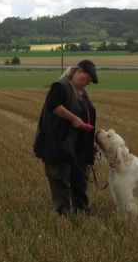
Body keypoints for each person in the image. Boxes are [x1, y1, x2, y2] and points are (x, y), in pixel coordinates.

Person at [33, 59, 98, 215]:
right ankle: (63, 213)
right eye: (85, 79)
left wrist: (91, 142)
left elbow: (86, 115)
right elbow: (53, 105)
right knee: (59, 180)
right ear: (77, 71)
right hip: (58, 143)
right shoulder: (60, 86)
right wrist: (73, 119)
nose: (85, 83)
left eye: (88, 82)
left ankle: (81, 209)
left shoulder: (81, 92)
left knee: (79, 180)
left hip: (77, 146)